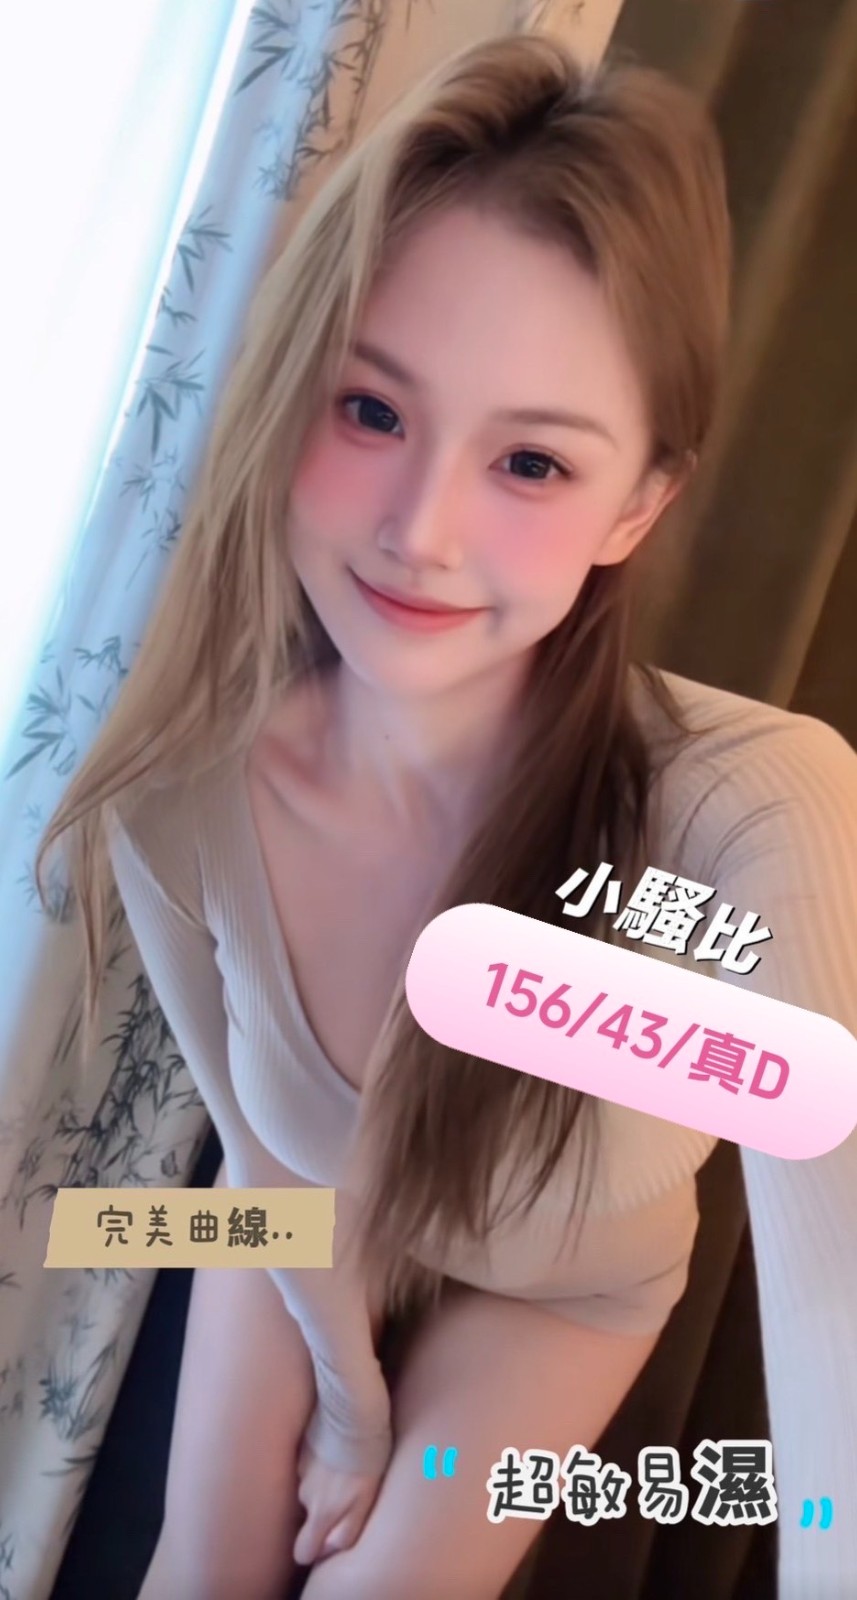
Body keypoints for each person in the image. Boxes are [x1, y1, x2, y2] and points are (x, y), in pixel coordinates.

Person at [37, 32, 857, 1600]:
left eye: (531, 461)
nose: (421, 531)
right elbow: (272, 1170)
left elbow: (836, 1303)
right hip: (302, 1217)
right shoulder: (182, 799)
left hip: (565, 1287)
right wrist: (347, 1409)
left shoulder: (752, 810)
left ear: (636, 505)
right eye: (369, 411)